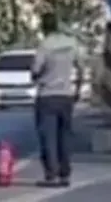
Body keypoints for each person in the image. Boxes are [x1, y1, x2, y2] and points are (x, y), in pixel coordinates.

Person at [31, 11, 82, 188]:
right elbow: (81, 66)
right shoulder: (71, 43)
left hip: (47, 96)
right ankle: (65, 174)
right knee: (65, 136)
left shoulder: (45, 45)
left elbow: (36, 70)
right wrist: (78, 89)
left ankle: (51, 175)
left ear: (44, 27)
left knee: (48, 137)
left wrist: (36, 77)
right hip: (66, 96)